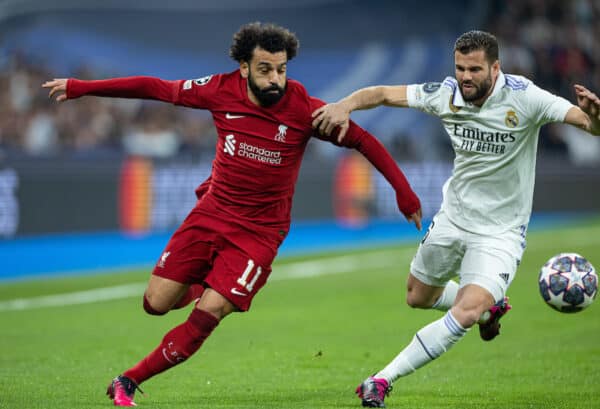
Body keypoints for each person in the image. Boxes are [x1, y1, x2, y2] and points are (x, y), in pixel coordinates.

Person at [43, 22, 423, 407]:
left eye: (281, 69)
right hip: (211, 213)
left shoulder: (304, 110)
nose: (275, 78)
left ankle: (127, 380)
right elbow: (155, 88)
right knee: (155, 303)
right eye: (265, 69)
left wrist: (403, 192)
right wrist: (82, 88)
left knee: (210, 311)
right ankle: (201, 282)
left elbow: (363, 140)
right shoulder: (220, 90)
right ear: (244, 67)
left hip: (259, 234)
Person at [312, 30, 600, 408]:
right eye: (460, 68)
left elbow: (585, 123)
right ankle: (489, 310)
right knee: (417, 296)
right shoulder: (444, 94)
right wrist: (344, 105)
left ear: (495, 68)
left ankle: (381, 380)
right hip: (454, 217)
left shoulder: (525, 96)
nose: (465, 76)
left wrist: (595, 118)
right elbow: (382, 93)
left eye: (474, 69)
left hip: (501, 232)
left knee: (464, 312)